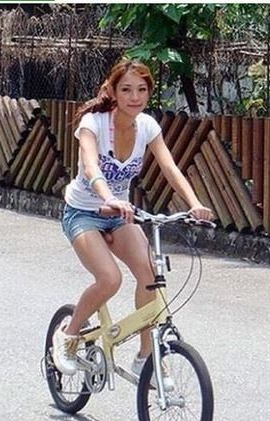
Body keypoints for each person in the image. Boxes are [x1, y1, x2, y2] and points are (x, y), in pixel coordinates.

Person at [53, 59, 214, 380]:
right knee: (110, 279)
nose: (135, 97)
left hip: (120, 215)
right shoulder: (93, 124)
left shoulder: (148, 127)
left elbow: (169, 168)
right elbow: (90, 166)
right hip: (84, 212)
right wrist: (108, 197)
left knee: (150, 274)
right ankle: (67, 337)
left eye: (142, 90)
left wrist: (195, 204)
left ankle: (145, 356)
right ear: (113, 91)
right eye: (126, 90)